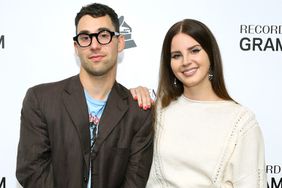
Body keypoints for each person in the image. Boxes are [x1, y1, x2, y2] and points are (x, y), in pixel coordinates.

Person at [16, 3, 153, 188]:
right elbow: (32, 173)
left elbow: (134, 182)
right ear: (76, 46)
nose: (94, 45)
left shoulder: (138, 112)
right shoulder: (40, 100)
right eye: (85, 37)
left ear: (120, 42)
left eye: (104, 35)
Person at [130, 19, 267, 187]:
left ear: (210, 54)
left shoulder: (241, 121)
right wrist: (130, 97)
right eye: (176, 55)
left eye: (194, 51)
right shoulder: (157, 111)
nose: (186, 61)